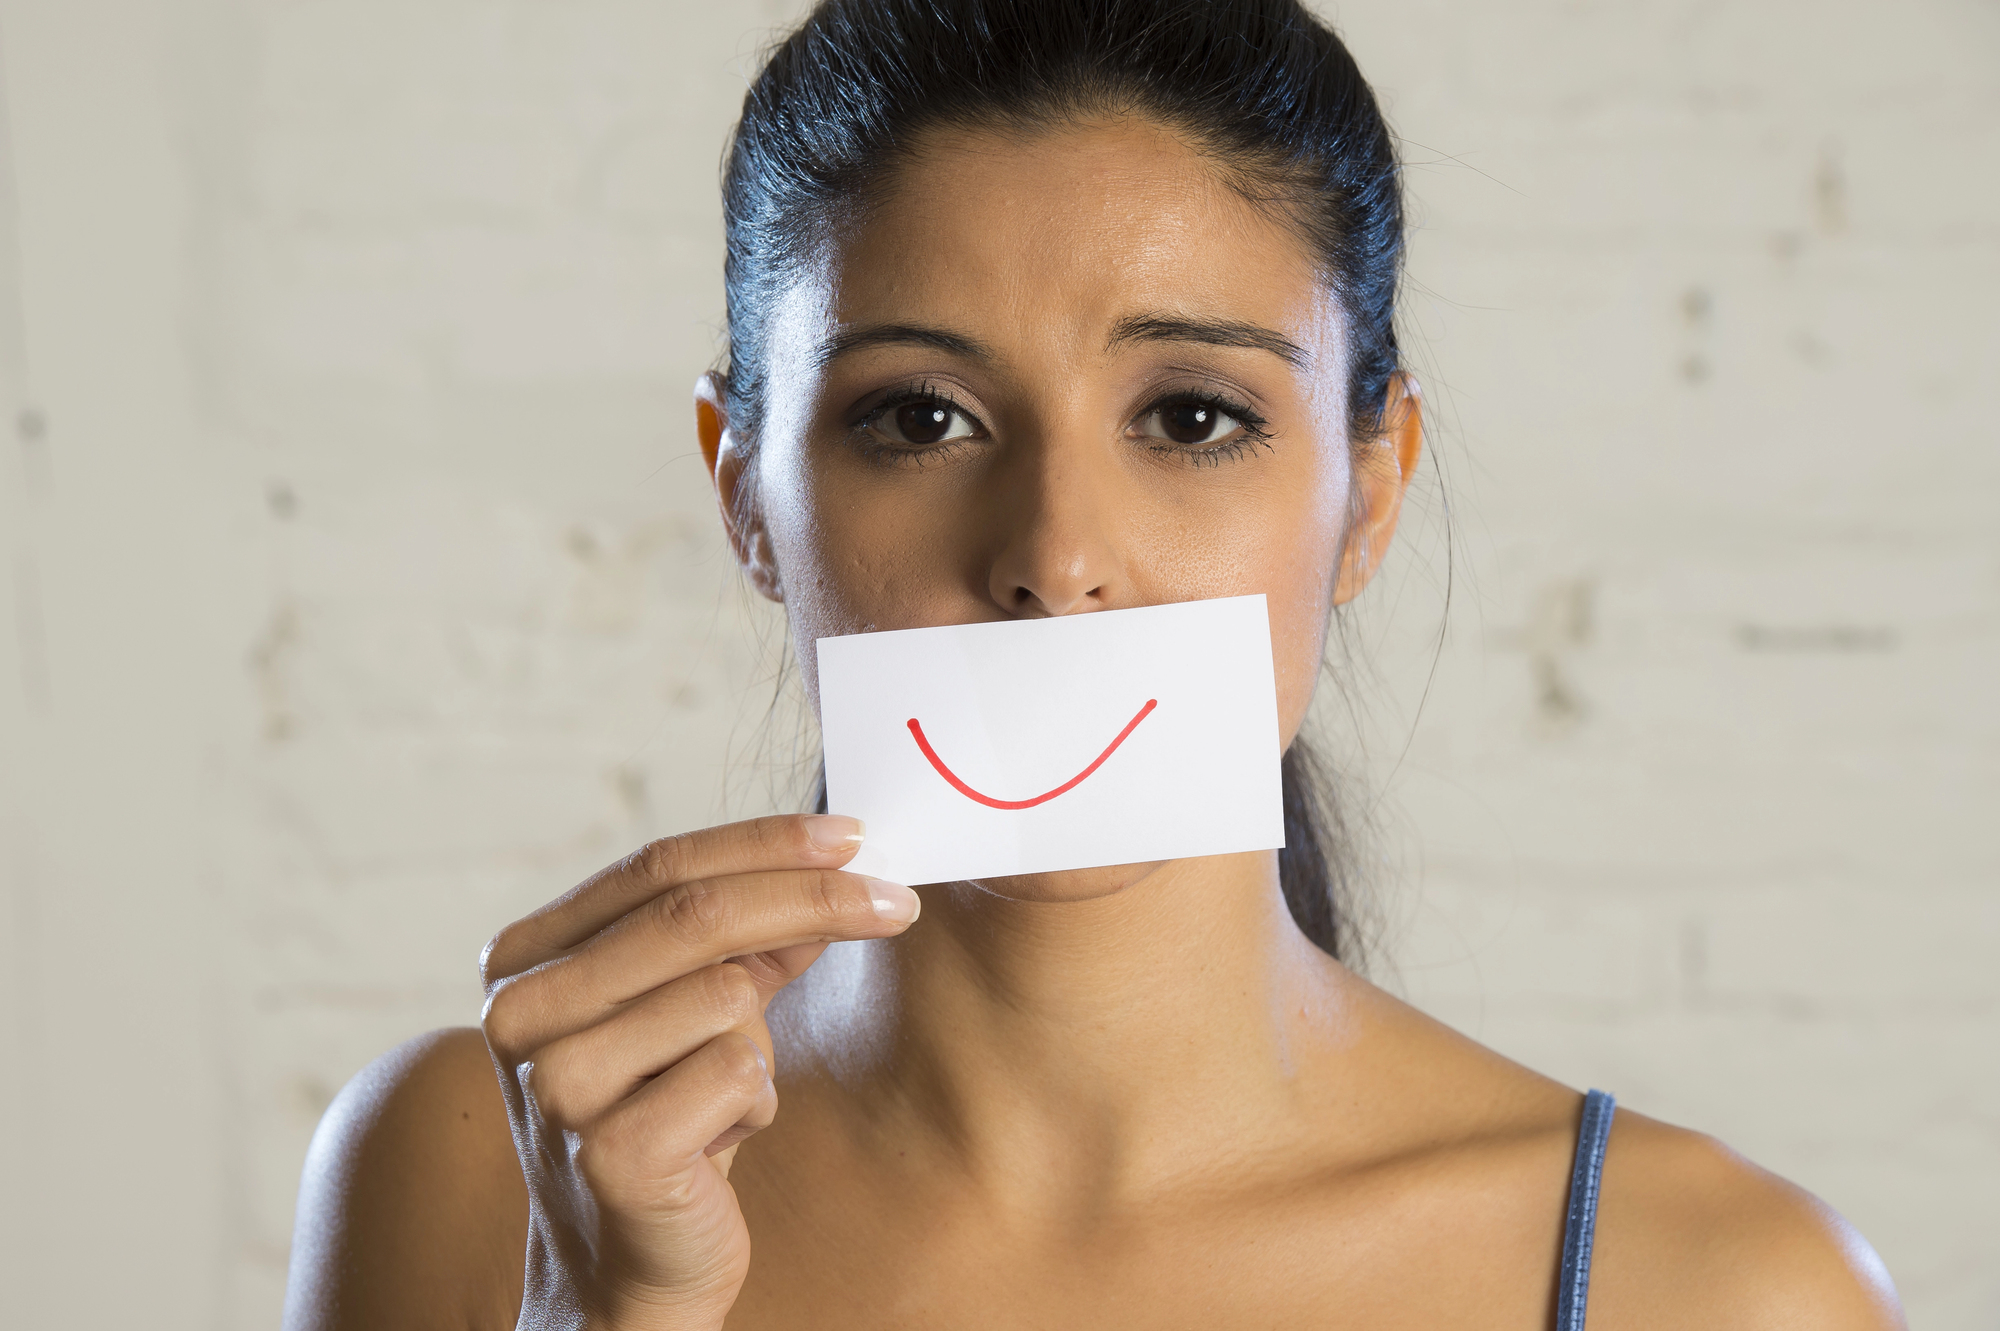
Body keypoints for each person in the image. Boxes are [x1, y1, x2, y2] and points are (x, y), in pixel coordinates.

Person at [281, 2, 1906, 1327]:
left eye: (1195, 418)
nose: (1056, 560)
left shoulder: (1716, 1288)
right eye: (919, 419)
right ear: (744, 492)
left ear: (1372, 491)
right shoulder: (474, 1170)